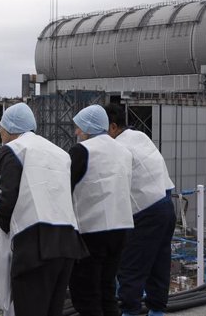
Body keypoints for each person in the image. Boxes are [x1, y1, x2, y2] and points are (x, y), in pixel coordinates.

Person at [0, 103, 88, 316]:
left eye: (0, 131)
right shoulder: (59, 152)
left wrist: (4, 230)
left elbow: (8, 198)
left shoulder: (14, 150)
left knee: (29, 307)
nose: (0, 136)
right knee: (52, 309)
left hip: (35, 243)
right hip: (67, 241)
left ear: (10, 130)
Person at [104, 104, 176, 316]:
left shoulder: (117, 147)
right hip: (166, 203)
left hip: (146, 209)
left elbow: (112, 185)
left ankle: (129, 311)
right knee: (158, 264)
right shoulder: (139, 137)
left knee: (131, 266)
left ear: (113, 127)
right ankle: (156, 310)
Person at [69, 104, 133, 316]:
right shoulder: (123, 151)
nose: (76, 132)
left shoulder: (82, 151)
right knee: (107, 289)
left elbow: (65, 188)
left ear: (87, 128)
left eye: (78, 127)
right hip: (121, 228)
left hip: (91, 230)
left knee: (86, 292)